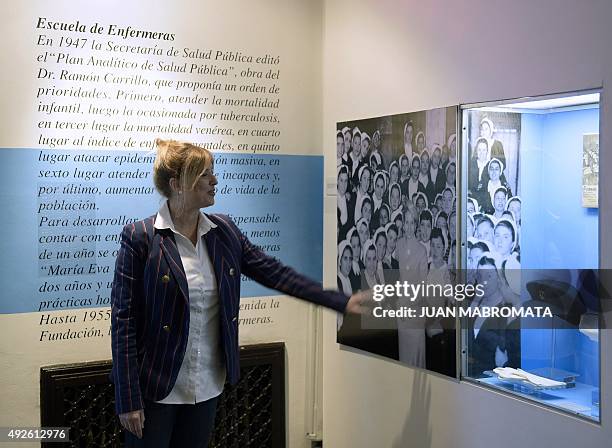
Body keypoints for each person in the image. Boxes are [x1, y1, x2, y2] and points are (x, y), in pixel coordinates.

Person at [111, 139, 366, 447]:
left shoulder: (224, 232)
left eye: (212, 172)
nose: (214, 180)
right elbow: (124, 323)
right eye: (205, 174)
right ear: (178, 184)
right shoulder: (140, 238)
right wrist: (128, 398)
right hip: (155, 386)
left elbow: (276, 274)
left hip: (206, 385)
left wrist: (340, 300)